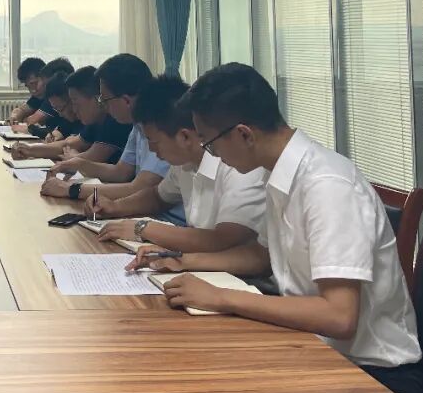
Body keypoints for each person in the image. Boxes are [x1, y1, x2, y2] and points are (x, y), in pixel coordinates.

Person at [142, 63, 423, 393]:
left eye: (211, 145)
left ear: (244, 134)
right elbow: (262, 256)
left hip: (375, 378)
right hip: (314, 348)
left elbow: (339, 316)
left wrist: (221, 297)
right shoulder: (279, 172)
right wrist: (184, 260)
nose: (213, 156)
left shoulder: (326, 186)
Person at [87, 75, 264, 257]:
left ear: (184, 137)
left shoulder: (237, 166)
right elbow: (158, 197)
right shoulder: (184, 162)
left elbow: (222, 240)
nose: (151, 149)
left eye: (154, 141)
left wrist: (142, 228)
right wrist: (114, 207)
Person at [42, 55, 184, 225]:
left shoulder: (163, 127)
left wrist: (71, 189)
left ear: (126, 100)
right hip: (149, 217)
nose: (103, 106)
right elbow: (121, 172)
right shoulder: (138, 125)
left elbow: (140, 188)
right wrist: (79, 164)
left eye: (104, 99)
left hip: (163, 222)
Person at [14, 65, 130, 168]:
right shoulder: (94, 121)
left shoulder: (114, 120)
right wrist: (29, 150)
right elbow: (67, 145)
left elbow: (90, 158)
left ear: (97, 99)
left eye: (75, 103)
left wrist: (75, 158)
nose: (74, 110)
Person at [7, 57, 47, 123]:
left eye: (34, 83)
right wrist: (14, 117)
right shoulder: (37, 97)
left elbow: (35, 120)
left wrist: (24, 120)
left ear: (45, 78)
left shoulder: (54, 96)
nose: (33, 91)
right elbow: (21, 110)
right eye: (28, 86)